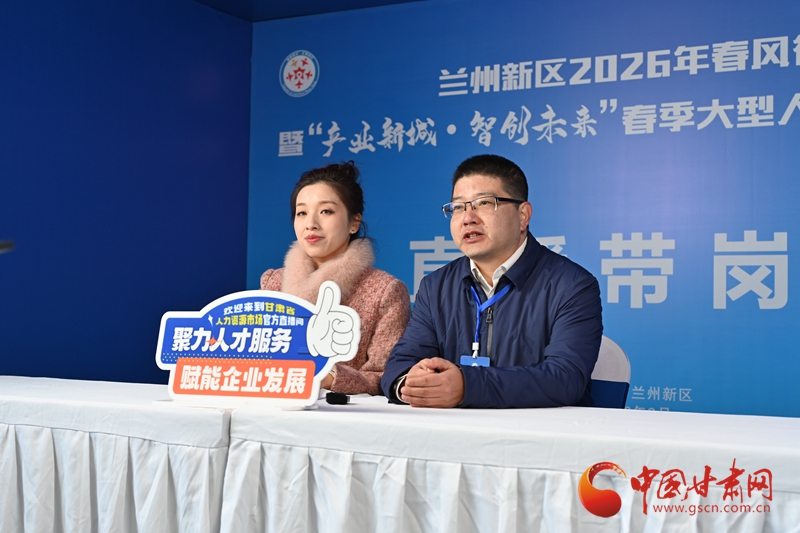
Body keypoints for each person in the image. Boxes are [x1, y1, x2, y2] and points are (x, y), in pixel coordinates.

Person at [381, 154, 603, 408]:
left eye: (484, 203)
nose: (468, 217)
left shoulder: (572, 285)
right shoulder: (436, 286)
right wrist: (411, 385)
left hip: (539, 430)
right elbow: (401, 364)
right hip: (453, 430)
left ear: (523, 215)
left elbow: (565, 378)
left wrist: (467, 387)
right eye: (458, 207)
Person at [261, 161, 410, 395]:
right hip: (271, 407)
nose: (311, 224)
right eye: (301, 213)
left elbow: (386, 376)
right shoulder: (273, 282)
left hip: (344, 414)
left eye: (326, 211)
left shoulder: (385, 290)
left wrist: (328, 378)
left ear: (354, 223)